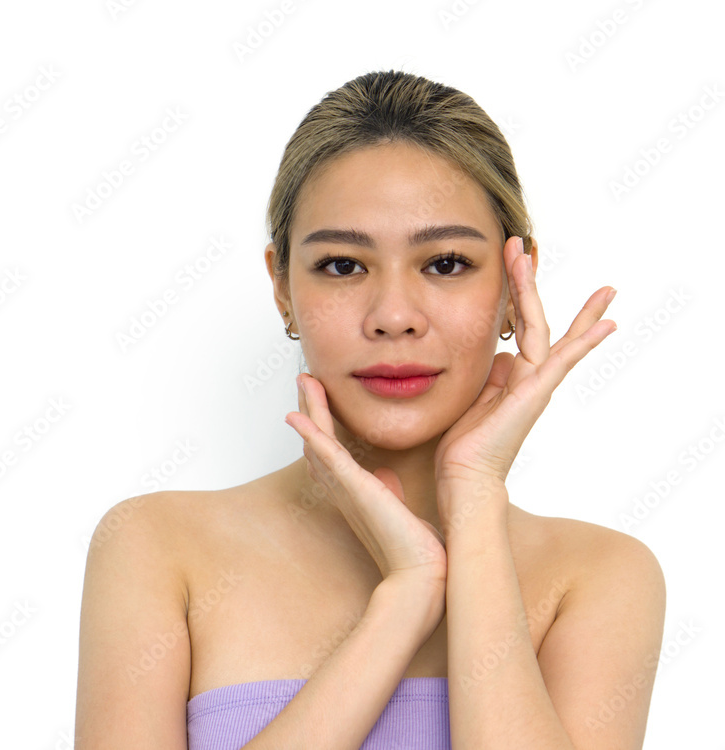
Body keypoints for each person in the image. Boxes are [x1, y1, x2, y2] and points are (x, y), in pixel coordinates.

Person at [74, 69, 666, 750]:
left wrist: (474, 502)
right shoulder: (158, 547)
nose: (393, 316)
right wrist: (406, 596)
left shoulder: (599, 577)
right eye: (343, 266)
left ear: (515, 283)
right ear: (282, 287)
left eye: (445, 263)